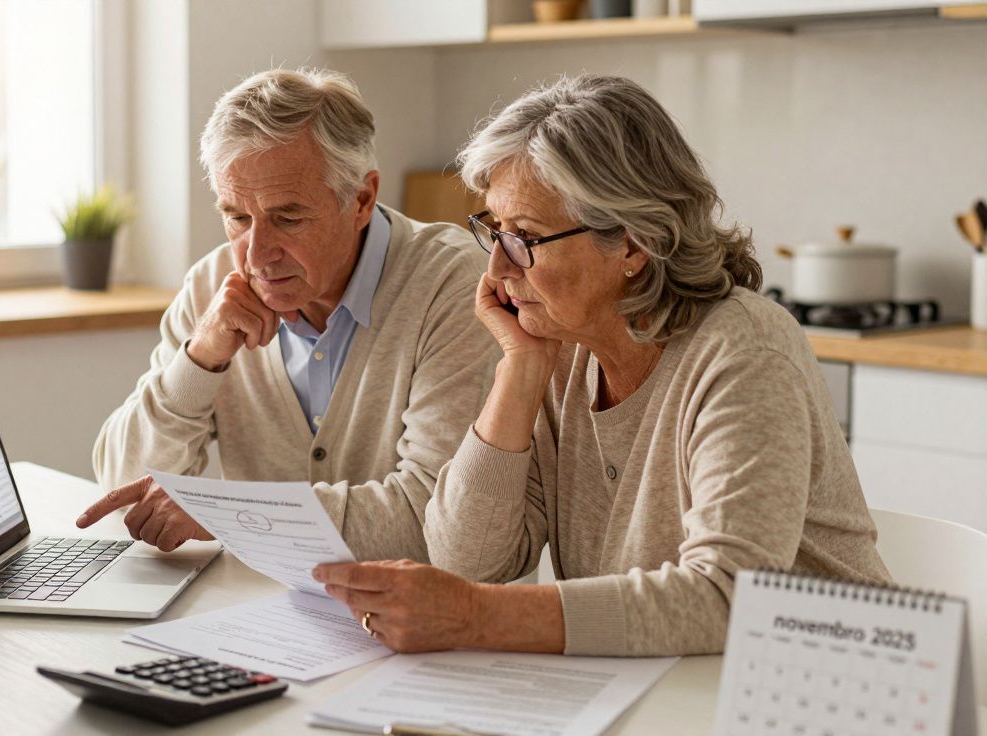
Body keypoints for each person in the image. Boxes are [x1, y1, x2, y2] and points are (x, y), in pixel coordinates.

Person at [313, 74, 891, 657]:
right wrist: (518, 371)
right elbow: (468, 559)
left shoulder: (743, 352)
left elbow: (729, 597)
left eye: (524, 238)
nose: (495, 271)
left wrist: (473, 616)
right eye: (493, 231)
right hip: (662, 688)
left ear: (634, 245)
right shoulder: (560, 347)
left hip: (819, 687)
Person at [76, 67, 498, 562]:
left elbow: (433, 519)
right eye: (236, 217)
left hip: (434, 630)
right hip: (267, 613)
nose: (256, 255)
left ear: (361, 200)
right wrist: (199, 360)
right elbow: (123, 485)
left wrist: (230, 513)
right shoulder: (211, 285)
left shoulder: (454, 285)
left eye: (288, 218)